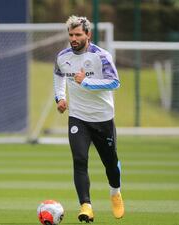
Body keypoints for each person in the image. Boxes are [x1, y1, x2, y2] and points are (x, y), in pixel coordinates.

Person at [53, 15, 124, 222]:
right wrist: (61, 98)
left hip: (103, 118)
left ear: (88, 35)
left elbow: (114, 83)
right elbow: (58, 76)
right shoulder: (62, 57)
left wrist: (86, 82)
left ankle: (115, 192)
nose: (73, 38)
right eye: (71, 34)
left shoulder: (101, 56)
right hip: (78, 117)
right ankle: (86, 206)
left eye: (78, 34)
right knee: (79, 160)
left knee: (110, 163)